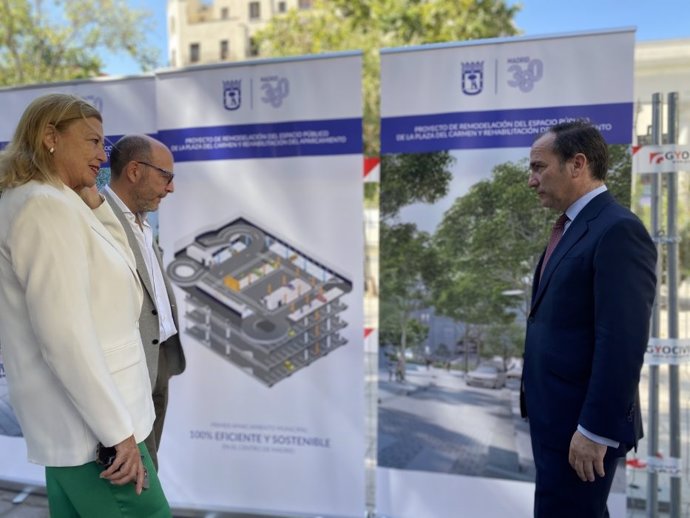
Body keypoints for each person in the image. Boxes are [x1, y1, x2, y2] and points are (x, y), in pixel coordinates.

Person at [0, 93, 171, 517]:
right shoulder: (43, 206)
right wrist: (119, 435)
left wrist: (94, 200)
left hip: (87, 431)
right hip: (99, 439)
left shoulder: (60, 201)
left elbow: (123, 265)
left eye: (104, 144)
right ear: (50, 137)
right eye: (93, 142)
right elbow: (65, 338)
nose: (102, 155)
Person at [521, 120, 657, 517]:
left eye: (539, 167)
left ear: (577, 164)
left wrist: (594, 430)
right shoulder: (574, 227)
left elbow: (622, 342)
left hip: (582, 427)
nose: (532, 180)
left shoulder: (618, 231)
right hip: (557, 417)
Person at [104, 134, 186, 470]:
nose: (170, 188)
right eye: (165, 176)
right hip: (128, 365)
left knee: (149, 464)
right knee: (138, 473)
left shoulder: (143, 221)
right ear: (135, 170)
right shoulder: (98, 220)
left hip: (161, 356)